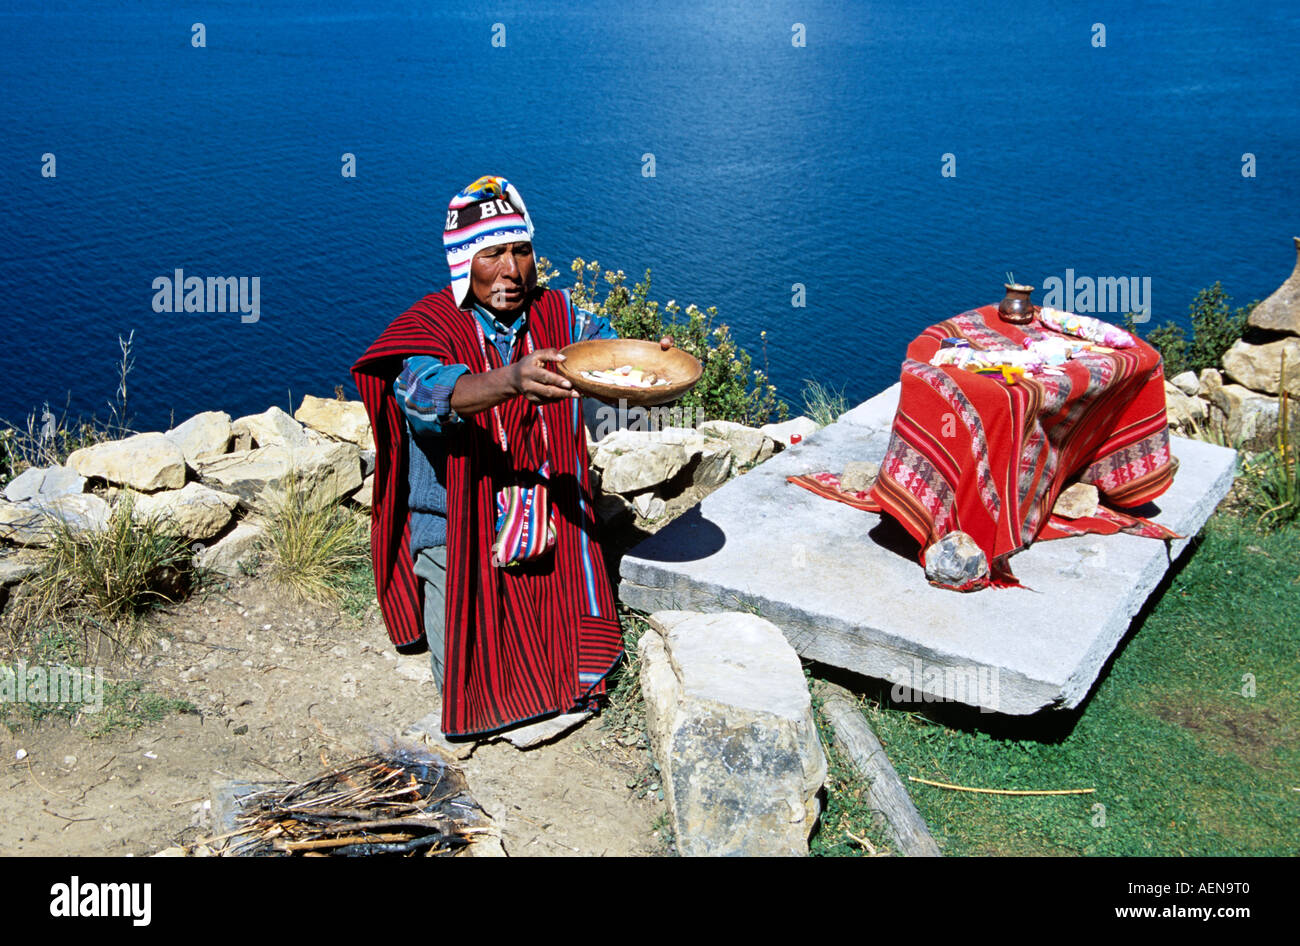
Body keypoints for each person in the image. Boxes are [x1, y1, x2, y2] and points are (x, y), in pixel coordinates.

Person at [352, 174, 670, 739]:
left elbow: (607, 354)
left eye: (521, 250)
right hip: (457, 528)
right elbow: (428, 394)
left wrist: (649, 358)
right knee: (470, 689)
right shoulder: (430, 327)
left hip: (548, 516)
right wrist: (511, 380)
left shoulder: (559, 315)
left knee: (577, 669)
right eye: (491, 253)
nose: (510, 270)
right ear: (462, 263)